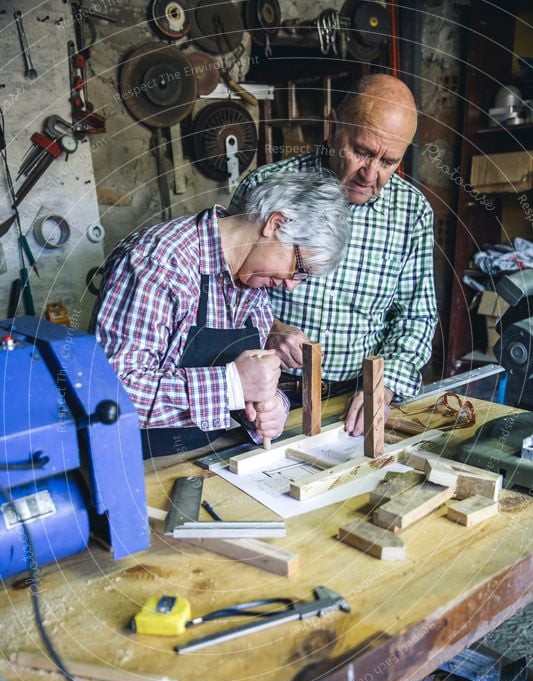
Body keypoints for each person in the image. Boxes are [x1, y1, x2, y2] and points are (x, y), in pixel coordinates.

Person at [230, 74, 438, 436]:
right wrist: (268, 329)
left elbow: (416, 317)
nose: (370, 174)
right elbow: (222, 288)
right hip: (267, 394)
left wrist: (383, 386)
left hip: (354, 398)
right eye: (361, 151)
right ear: (332, 127)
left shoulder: (411, 212)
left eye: (389, 161)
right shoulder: (266, 188)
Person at [94, 172, 349, 459]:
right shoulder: (158, 261)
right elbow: (110, 393)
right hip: (131, 462)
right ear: (275, 224)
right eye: (299, 269)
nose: (291, 285)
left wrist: (269, 405)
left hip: (203, 455)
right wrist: (230, 385)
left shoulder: (253, 281)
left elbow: (241, 382)